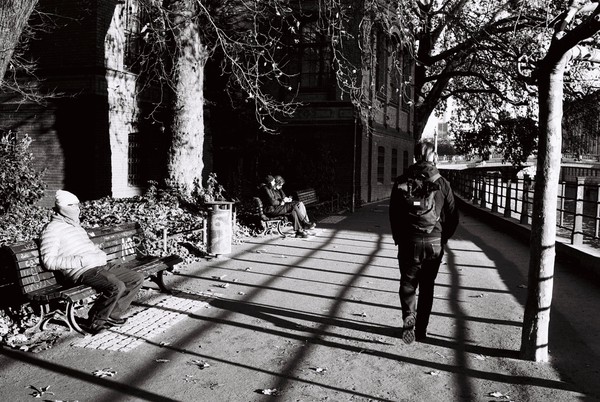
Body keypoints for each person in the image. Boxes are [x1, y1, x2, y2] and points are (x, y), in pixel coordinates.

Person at [40, 190, 145, 334]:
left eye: (77, 205)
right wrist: (81, 261)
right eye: (72, 205)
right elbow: (49, 261)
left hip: (98, 265)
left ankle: (111, 315)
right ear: (62, 208)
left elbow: (88, 247)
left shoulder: (76, 226)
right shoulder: (52, 229)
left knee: (136, 278)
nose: (77, 209)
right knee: (116, 286)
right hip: (80, 271)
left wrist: (99, 254)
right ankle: (94, 322)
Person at [389, 141, 459, 344]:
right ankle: (421, 330)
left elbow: (394, 213)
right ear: (432, 156)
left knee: (407, 283)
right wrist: (443, 239)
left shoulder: (402, 181)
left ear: (415, 156)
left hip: (408, 241)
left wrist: (399, 237)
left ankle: (408, 318)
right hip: (434, 241)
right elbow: (453, 217)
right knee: (427, 286)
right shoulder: (442, 183)